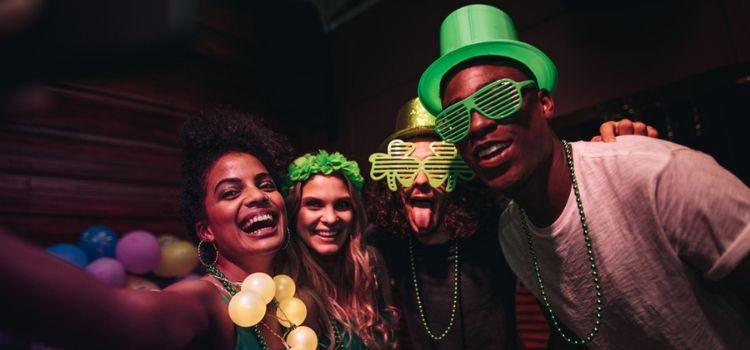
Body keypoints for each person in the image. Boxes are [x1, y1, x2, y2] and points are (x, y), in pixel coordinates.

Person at [417, 4, 750, 349]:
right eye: (455, 119)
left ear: (544, 103)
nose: (478, 125)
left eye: (498, 98)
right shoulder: (512, 235)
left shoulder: (655, 174)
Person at [0, 108, 328, 349]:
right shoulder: (203, 301)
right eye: (230, 192)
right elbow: (122, 319)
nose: (257, 196)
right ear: (206, 230)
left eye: (265, 184)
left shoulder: (296, 296)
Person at [364, 99, 650, 350]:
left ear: (459, 176)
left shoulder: (499, 229)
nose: (421, 180)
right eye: (405, 169)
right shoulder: (388, 242)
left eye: (436, 167)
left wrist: (612, 156)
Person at [283, 150, 398, 349]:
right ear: (293, 211)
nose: (330, 218)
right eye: (314, 204)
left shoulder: (369, 264)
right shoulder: (284, 279)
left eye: (342, 205)